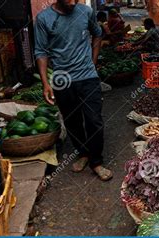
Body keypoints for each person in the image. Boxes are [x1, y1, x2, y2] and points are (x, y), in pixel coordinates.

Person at [34, 0, 113, 181]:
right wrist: (45, 83)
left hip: (88, 77)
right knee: (72, 120)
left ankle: (96, 162)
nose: (72, 2)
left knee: (94, 120)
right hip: (62, 81)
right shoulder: (44, 19)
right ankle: (83, 153)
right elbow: (41, 51)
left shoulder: (85, 12)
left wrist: (93, 61)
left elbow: (98, 34)